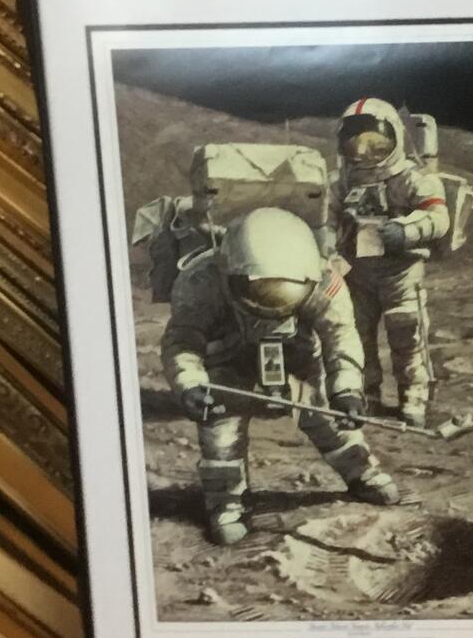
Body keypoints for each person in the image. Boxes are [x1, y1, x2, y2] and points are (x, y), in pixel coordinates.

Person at [161, 207, 398, 546]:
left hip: (296, 352)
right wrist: (190, 385)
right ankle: (227, 501)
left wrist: (346, 389)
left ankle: (362, 473)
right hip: (229, 356)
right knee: (221, 430)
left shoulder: (325, 281)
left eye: (283, 293)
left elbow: (340, 337)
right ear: (231, 272)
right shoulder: (201, 282)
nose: (271, 305)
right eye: (261, 292)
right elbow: (183, 340)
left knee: (327, 414)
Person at [329, 98, 448, 426]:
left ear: (394, 137)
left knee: (406, 332)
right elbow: (325, 220)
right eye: (356, 145)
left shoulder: (411, 177)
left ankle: (413, 395)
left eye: (375, 144)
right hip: (357, 272)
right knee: (357, 334)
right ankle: (366, 393)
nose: (364, 153)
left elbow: (438, 217)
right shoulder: (342, 182)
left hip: (401, 271)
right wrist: (327, 249)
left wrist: (406, 231)